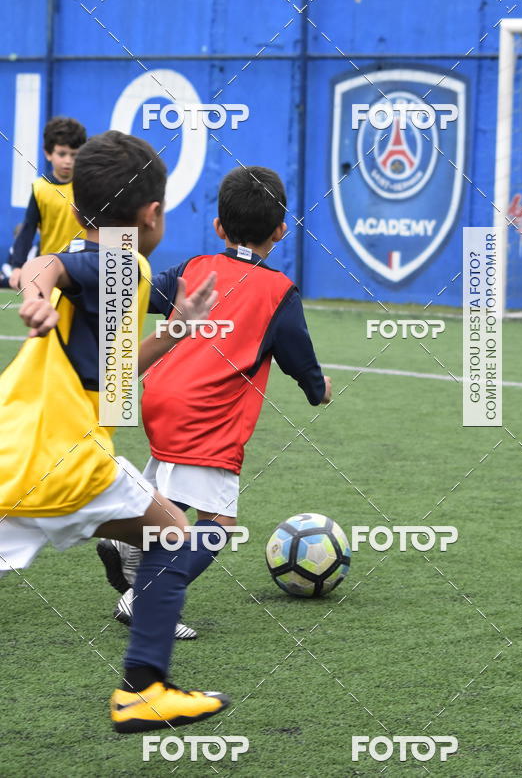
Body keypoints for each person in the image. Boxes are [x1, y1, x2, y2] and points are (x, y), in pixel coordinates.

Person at [0, 130, 229, 732]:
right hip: (64, 457)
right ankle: (142, 691)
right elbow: (45, 265)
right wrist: (35, 292)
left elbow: (115, 369)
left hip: (21, 454)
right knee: (176, 533)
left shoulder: (124, 267)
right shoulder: (114, 259)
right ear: (153, 213)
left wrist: (177, 329)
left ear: (76, 209)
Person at [97, 165, 331, 632]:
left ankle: (128, 543)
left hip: (159, 399)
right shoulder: (278, 291)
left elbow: (137, 291)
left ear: (219, 228)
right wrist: (316, 389)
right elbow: (299, 359)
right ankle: (148, 598)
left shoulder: (192, 269)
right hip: (210, 416)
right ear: (282, 231)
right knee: (218, 523)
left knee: (170, 492)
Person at [9, 116, 87, 290]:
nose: (68, 160)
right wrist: (17, 266)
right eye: (62, 154)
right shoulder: (39, 188)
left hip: (83, 269)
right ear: (48, 153)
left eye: (74, 155)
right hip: (51, 269)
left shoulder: (87, 185)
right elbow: (28, 229)